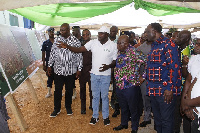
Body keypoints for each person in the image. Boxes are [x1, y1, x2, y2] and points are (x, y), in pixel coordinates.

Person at [61, 26, 118, 126]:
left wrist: (108, 66)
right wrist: (68, 47)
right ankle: (95, 116)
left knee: (104, 97)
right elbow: (80, 49)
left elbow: (115, 61)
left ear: (107, 35)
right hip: (94, 75)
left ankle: (105, 117)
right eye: (99, 33)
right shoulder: (93, 43)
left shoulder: (113, 46)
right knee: (95, 96)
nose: (99, 35)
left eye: (102, 33)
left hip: (106, 75)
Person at [145, 23, 181, 133]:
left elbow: (174, 67)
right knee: (158, 120)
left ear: (154, 32)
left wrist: (170, 88)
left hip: (165, 91)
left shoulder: (169, 44)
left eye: (147, 31)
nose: (146, 34)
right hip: (153, 90)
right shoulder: (154, 46)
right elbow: (151, 66)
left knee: (166, 121)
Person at [47, 23, 82, 117]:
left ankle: (68, 107)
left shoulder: (75, 41)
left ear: (69, 30)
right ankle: (56, 109)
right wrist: (49, 65)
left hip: (70, 70)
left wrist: (79, 69)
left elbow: (79, 56)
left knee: (69, 90)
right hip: (58, 70)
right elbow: (53, 53)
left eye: (64, 30)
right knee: (58, 90)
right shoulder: (57, 40)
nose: (62, 32)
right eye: (61, 30)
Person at [113, 35, 146, 133]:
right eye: (117, 42)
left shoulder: (135, 52)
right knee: (123, 106)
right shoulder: (119, 52)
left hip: (131, 86)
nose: (117, 45)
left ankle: (134, 128)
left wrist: (143, 77)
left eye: (120, 43)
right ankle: (124, 124)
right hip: (119, 85)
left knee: (133, 108)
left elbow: (148, 63)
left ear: (126, 44)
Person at [181, 38, 200, 133]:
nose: (196, 46)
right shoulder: (195, 58)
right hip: (195, 111)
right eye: (196, 44)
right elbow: (189, 81)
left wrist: (187, 103)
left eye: (199, 44)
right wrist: (185, 100)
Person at [175, 30, 192, 133]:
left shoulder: (189, 53)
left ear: (186, 39)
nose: (177, 39)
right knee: (177, 112)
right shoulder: (178, 49)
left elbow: (187, 74)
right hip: (177, 86)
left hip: (184, 88)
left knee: (184, 110)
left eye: (180, 37)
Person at [137, 31, 152, 127]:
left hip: (157, 78)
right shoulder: (140, 48)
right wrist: (139, 75)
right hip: (144, 79)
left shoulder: (158, 46)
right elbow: (137, 64)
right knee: (145, 98)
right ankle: (147, 118)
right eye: (143, 36)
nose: (144, 37)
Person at [79, 29, 92, 114]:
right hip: (82, 71)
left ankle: (92, 105)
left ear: (90, 35)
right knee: (82, 89)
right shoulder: (80, 45)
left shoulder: (94, 45)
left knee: (92, 90)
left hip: (91, 70)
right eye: (84, 35)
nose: (85, 36)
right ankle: (83, 108)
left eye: (87, 34)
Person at [109, 26, 120, 117]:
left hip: (116, 68)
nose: (112, 32)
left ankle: (115, 105)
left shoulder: (119, 41)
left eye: (114, 31)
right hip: (105, 67)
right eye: (111, 31)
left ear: (117, 32)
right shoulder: (106, 41)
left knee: (116, 88)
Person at [41, 27, 55, 98]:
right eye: (50, 32)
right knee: (49, 78)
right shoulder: (45, 43)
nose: (52, 33)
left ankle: (58, 91)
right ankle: (49, 92)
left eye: (53, 32)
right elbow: (43, 54)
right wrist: (44, 64)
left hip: (57, 63)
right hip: (49, 64)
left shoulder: (58, 42)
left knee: (58, 78)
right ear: (48, 33)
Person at [72, 26, 82, 100]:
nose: (72, 32)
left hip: (82, 64)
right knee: (72, 79)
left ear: (78, 31)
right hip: (73, 63)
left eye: (74, 31)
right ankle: (73, 92)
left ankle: (82, 94)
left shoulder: (83, 40)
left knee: (82, 81)